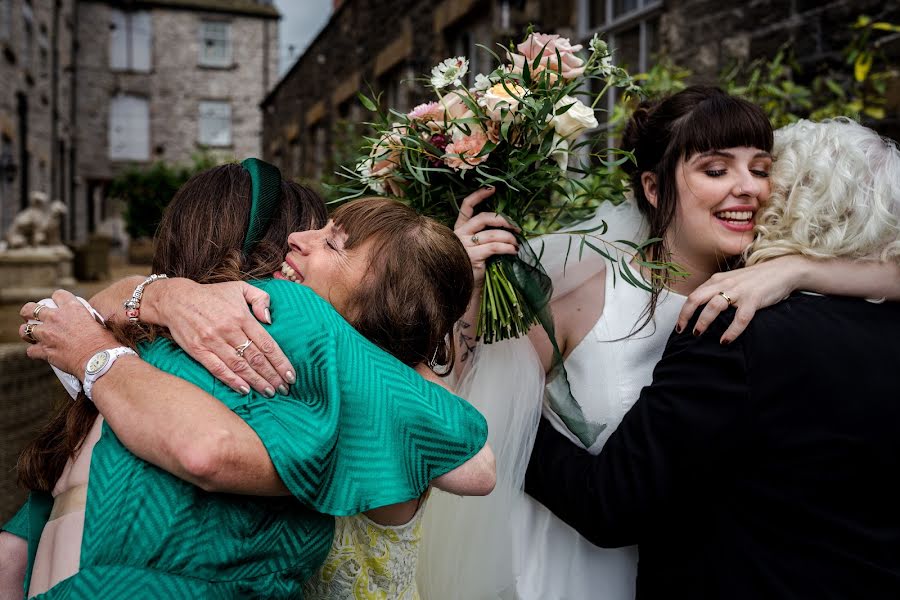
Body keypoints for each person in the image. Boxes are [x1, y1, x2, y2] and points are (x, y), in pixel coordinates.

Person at [420, 87, 900, 599]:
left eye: (761, 170)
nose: (748, 188)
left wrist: (798, 268)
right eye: (716, 171)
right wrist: (468, 290)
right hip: (576, 560)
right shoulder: (585, 294)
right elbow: (483, 394)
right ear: (653, 187)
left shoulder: (764, 304)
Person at [0, 160, 494, 598]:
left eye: (332, 241)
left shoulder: (265, 339)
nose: (297, 246)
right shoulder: (236, 345)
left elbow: (12, 559)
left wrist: (431, 301)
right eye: (305, 232)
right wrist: (161, 296)